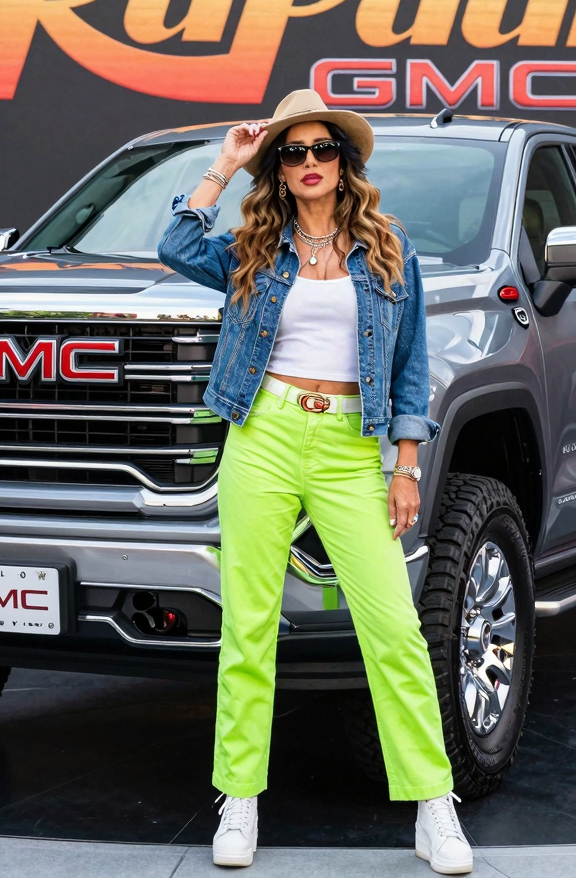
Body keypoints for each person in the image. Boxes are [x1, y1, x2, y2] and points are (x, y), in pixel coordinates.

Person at [158, 89, 472, 874]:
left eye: (321, 149)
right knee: (249, 626)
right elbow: (175, 244)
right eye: (292, 152)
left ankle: (434, 804)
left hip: (348, 446)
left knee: (394, 627)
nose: (308, 162)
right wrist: (225, 163)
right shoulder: (253, 248)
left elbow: (410, 366)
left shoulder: (388, 249)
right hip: (261, 436)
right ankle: (239, 799)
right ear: (279, 167)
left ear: (344, 160)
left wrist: (406, 465)